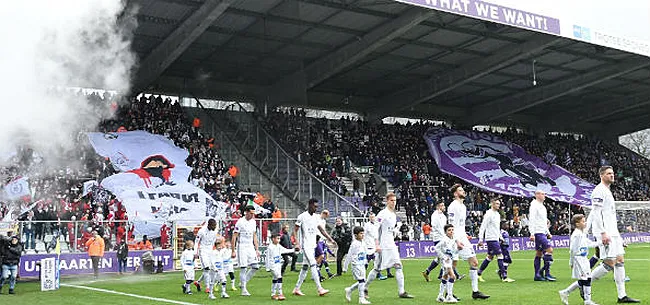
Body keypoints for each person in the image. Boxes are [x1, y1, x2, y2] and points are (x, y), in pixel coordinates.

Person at [585, 166, 639, 303]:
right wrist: (603, 233)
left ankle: (622, 296)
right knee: (609, 264)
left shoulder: (607, 191)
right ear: (601, 175)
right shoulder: (599, 191)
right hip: (605, 233)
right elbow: (596, 213)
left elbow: (609, 216)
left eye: (613, 173)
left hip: (613, 233)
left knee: (620, 261)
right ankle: (583, 284)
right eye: (609, 173)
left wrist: (618, 238)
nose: (612, 175)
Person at [365, 193, 414, 299]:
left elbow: (389, 230)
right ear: (387, 201)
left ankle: (401, 292)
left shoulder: (393, 214)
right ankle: (365, 287)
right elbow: (375, 228)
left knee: (398, 266)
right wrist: (377, 244)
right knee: (377, 269)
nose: (394, 202)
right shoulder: (383, 213)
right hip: (383, 246)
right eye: (391, 200)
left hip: (391, 245)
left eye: (395, 200)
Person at [447, 184, 489, 299]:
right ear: (455, 194)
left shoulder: (463, 206)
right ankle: (448, 293)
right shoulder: (453, 206)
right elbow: (450, 225)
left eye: (463, 190)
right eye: (460, 190)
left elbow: (460, 225)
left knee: (474, 262)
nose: (463, 192)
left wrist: (464, 234)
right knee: (450, 266)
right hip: (455, 240)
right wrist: (456, 241)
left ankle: (475, 292)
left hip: (462, 238)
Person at [292, 198, 336, 297]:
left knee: (305, 267)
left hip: (313, 245)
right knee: (313, 264)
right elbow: (295, 230)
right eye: (314, 206)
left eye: (317, 207)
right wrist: (297, 243)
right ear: (309, 205)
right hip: (306, 245)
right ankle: (320, 288)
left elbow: (322, 230)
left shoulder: (316, 217)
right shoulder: (302, 216)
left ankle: (297, 288)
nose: (316, 208)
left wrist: (330, 239)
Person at [558, 214, 602, 305]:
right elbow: (572, 249)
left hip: (584, 258)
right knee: (586, 279)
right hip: (579, 259)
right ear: (577, 224)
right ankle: (587, 301)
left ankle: (565, 292)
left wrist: (601, 242)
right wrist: (571, 261)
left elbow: (589, 244)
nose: (585, 223)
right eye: (583, 221)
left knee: (585, 279)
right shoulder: (576, 235)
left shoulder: (581, 234)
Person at [477, 198, 514, 282]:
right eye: (497, 203)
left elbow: (497, 228)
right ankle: (504, 277)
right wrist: (480, 239)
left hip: (495, 238)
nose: (498, 205)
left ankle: (478, 274)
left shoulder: (497, 214)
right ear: (492, 204)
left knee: (490, 257)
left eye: (499, 203)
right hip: (491, 238)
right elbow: (483, 226)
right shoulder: (488, 214)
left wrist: (500, 237)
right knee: (500, 255)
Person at [231, 205, 260, 296]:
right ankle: (244, 289)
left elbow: (254, 235)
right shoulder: (240, 222)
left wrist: (257, 249)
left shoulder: (253, 222)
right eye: (251, 213)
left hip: (250, 246)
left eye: (253, 213)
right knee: (243, 268)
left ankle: (243, 282)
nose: (252, 215)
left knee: (255, 266)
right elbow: (234, 236)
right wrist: (233, 250)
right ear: (246, 212)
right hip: (242, 246)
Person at [529, 190, 556, 281]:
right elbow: (532, 219)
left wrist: (547, 232)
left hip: (542, 232)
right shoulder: (534, 205)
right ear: (537, 195)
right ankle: (545, 273)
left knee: (539, 253)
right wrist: (532, 233)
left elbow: (543, 222)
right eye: (543, 194)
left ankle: (537, 275)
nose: (544, 195)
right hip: (538, 232)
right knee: (549, 250)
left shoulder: (542, 206)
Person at [343, 226, 371, 305]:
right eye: (360, 233)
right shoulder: (354, 244)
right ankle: (361, 298)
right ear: (355, 235)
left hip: (362, 264)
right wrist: (345, 267)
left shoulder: (363, 243)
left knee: (362, 281)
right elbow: (349, 255)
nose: (362, 235)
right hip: (356, 265)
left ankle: (350, 290)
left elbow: (365, 253)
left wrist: (366, 262)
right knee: (361, 281)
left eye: (363, 233)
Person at [265, 233, 295, 300]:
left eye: (279, 238)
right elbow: (267, 258)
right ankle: (280, 293)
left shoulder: (278, 246)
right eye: (277, 238)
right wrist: (268, 267)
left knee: (275, 279)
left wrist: (293, 250)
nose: (279, 240)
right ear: (273, 239)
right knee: (279, 277)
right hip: (273, 266)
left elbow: (285, 250)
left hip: (278, 265)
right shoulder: (270, 247)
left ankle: (273, 294)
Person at [435, 224, 459, 303]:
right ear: (445, 232)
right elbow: (437, 248)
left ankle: (440, 296)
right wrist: (443, 257)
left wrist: (458, 249)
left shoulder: (453, 239)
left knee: (445, 276)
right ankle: (449, 296)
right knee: (452, 276)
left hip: (449, 259)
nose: (451, 231)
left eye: (452, 230)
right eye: (449, 230)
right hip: (445, 261)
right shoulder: (444, 240)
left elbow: (453, 251)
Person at [422, 201, 446, 281]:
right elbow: (437, 228)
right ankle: (441, 276)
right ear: (438, 207)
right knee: (445, 256)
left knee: (440, 257)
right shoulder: (435, 215)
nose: (444, 207)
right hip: (438, 238)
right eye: (442, 205)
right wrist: (445, 237)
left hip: (442, 237)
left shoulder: (443, 216)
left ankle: (427, 271)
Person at [195, 218, 219, 293]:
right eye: (213, 226)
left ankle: (198, 282)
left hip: (210, 251)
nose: (215, 227)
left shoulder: (215, 231)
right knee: (207, 268)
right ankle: (208, 287)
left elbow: (213, 242)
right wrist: (196, 252)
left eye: (215, 226)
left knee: (214, 269)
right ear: (209, 225)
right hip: (203, 250)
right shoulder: (201, 231)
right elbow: (196, 242)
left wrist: (213, 251)